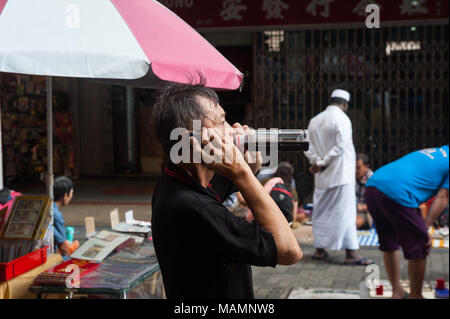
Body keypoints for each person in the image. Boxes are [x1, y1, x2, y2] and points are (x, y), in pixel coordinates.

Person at [151, 78, 303, 299]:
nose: (232, 130)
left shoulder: (185, 176)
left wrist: (247, 164)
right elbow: (289, 251)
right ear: (190, 139)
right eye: (221, 122)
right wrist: (242, 172)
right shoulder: (189, 206)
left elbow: (234, 179)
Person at [364, 145, 449, 299]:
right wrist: (426, 227)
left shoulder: (439, 152)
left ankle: (397, 292)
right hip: (398, 191)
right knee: (420, 244)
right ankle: (416, 296)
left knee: (389, 242)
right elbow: (443, 197)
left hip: (373, 186)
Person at [304, 89, 373, 265]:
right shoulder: (342, 118)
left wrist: (317, 161)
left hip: (322, 176)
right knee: (345, 214)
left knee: (321, 212)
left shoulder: (315, 120)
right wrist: (323, 162)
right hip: (341, 174)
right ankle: (351, 254)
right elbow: (341, 145)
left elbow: (307, 146)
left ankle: (320, 251)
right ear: (344, 104)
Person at [53, 176, 79, 258]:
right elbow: (64, 248)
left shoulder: (49, 207)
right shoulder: (56, 214)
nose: (71, 196)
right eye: (71, 193)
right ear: (65, 196)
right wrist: (74, 246)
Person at [356, 153, 374, 230]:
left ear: (366, 167)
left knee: (353, 223)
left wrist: (363, 207)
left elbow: (377, 203)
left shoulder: (372, 180)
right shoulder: (351, 177)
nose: (355, 171)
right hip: (353, 210)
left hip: (367, 212)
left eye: (358, 168)